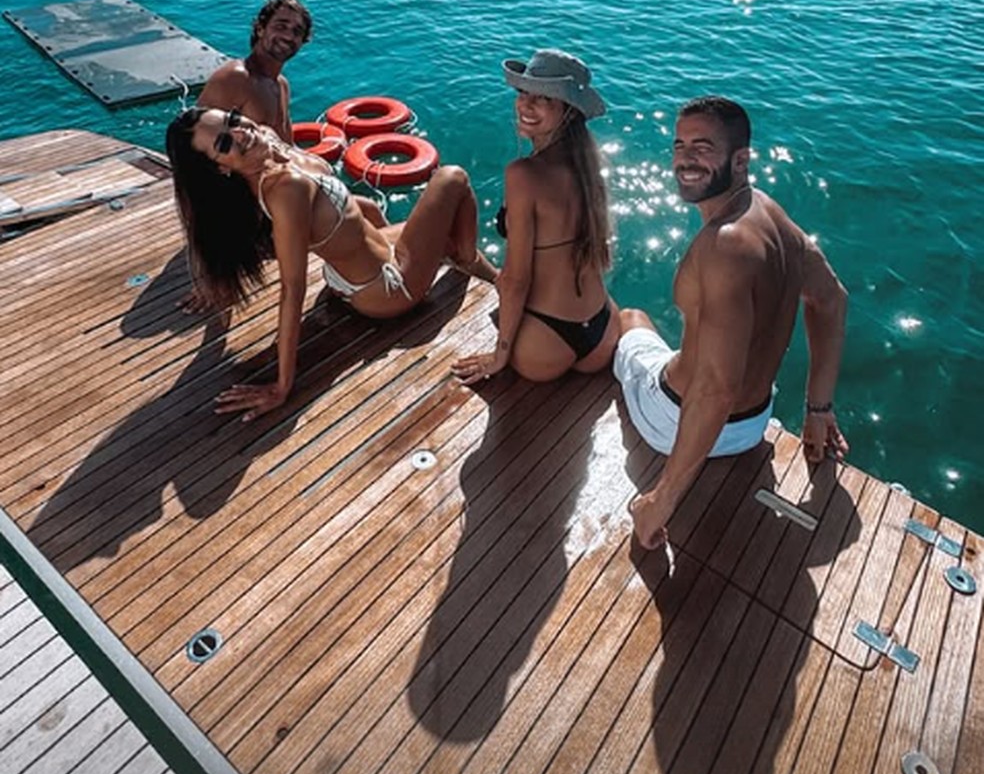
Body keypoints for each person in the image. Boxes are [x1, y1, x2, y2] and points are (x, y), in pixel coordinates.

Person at [617, 96, 848, 550]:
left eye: (703, 147)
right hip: (755, 423)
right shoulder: (770, 214)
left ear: (740, 160)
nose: (684, 158)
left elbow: (716, 388)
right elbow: (832, 300)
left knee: (629, 318)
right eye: (680, 145)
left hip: (675, 420)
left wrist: (658, 503)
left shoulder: (722, 246)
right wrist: (818, 408)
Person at [166, 107, 497, 420]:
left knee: (443, 238)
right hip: (384, 290)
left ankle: (465, 258)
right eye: (225, 143)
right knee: (452, 177)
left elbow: (347, 203)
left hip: (352, 270)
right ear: (221, 168)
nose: (241, 133)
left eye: (233, 119)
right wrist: (282, 387)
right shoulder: (284, 189)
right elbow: (292, 289)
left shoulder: (268, 141)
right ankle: (472, 262)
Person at [453, 49, 619, 386]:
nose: (526, 105)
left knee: (497, 283)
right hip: (603, 330)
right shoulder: (591, 165)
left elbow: (517, 280)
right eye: (522, 93)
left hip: (546, 344)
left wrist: (500, 355)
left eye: (543, 98)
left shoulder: (523, 174)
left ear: (569, 112)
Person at [197, 0, 312, 145]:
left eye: (297, 32)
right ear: (260, 29)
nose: (288, 36)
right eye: (280, 26)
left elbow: (287, 147)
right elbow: (195, 137)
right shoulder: (237, 78)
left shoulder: (282, 85)